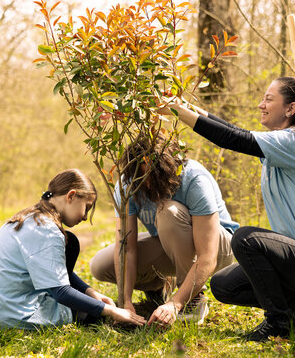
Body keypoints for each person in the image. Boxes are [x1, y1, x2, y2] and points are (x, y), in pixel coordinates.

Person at [159, 77, 295, 341]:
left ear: (290, 109)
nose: (261, 105)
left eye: (269, 99)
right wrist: (185, 106)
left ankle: (279, 324)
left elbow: (231, 138)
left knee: (246, 239)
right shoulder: (281, 143)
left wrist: (177, 111)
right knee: (223, 285)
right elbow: (231, 129)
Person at [90, 134, 239, 326]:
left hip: (219, 248)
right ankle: (158, 288)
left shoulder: (193, 178)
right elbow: (126, 248)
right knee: (101, 265)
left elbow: (207, 257)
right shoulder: (128, 184)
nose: (148, 184)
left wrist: (174, 304)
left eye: (153, 176)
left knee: (167, 212)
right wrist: (125, 301)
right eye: (141, 178)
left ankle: (192, 299)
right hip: (171, 243)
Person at [0, 169, 146, 329]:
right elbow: (62, 292)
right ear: (71, 196)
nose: (86, 216)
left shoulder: (32, 218)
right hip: (17, 313)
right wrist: (112, 311)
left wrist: (90, 292)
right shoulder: (47, 231)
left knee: (70, 242)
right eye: (87, 207)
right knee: (93, 314)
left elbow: (54, 269)